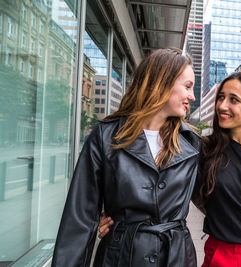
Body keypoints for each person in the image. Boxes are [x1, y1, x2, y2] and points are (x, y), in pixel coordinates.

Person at [99, 72, 241, 266]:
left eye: (233, 100)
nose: (222, 105)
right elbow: (151, 177)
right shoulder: (200, 149)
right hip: (220, 254)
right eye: (221, 97)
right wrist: (114, 216)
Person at [52, 48, 201, 267]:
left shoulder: (192, 142)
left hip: (176, 257)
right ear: (161, 82)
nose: (192, 96)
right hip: (121, 257)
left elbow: (219, 198)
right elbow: (79, 219)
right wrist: (101, 224)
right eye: (187, 86)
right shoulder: (106, 136)